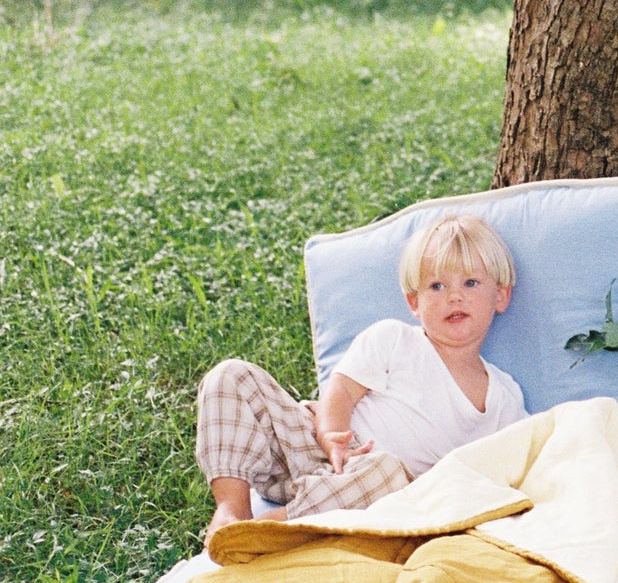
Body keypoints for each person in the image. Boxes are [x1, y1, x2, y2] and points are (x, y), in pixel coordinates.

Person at [195, 213, 526, 544]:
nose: (454, 297)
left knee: (389, 476)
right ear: (415, 302)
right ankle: (231, 510)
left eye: (470, 283)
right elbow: (341, 391)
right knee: (232, 376)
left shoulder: (504, 397)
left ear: (500, 295)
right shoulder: (394, 340)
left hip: (376, 486)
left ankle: (273, 526)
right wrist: (331, 436)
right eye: (437, 286)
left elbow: (509, 466)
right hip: (317, 445)